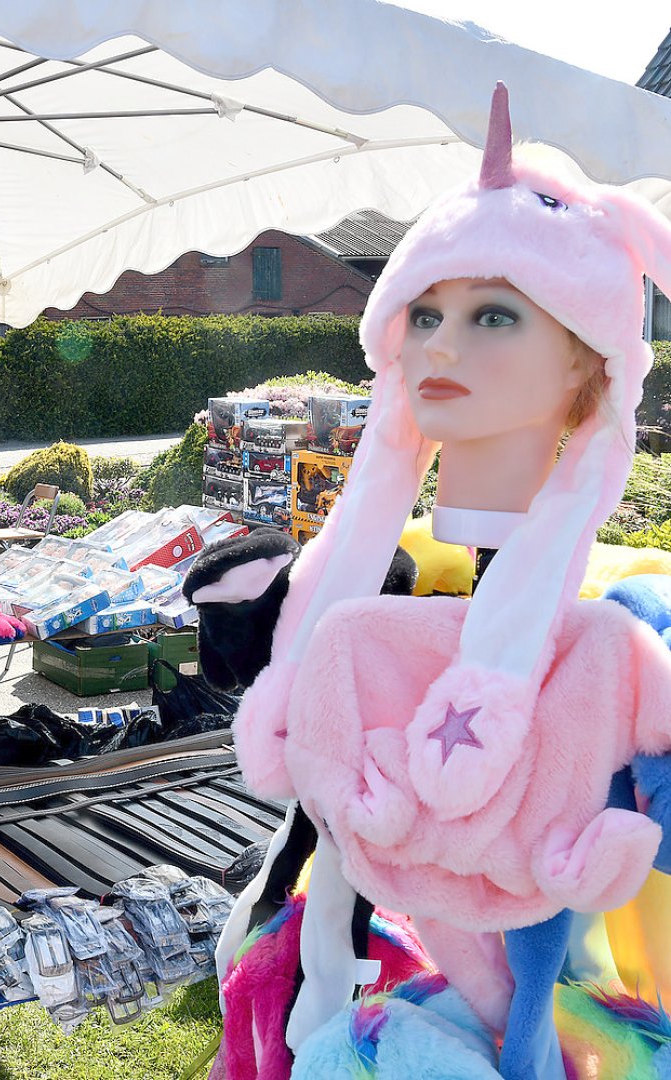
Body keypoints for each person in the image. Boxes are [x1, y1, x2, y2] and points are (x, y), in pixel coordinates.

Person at [216, 90, 671, 1078]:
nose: (440, 346)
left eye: (492, 314)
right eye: (422, 313)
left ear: (587, 368)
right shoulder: (355, 637)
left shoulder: (611, 645)